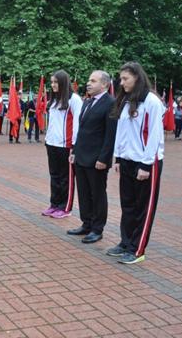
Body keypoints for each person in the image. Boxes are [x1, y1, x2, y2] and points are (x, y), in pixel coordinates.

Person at [107, 61, 165, 264]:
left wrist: (146, 165)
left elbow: (155, 136)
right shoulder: (126, 100)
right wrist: (118, 157)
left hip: (146, 162)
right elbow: (122, 133)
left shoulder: (152, 102)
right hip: (127, 161)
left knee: (143, 207)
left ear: (137, 78)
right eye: (121, 78)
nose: (121, 83)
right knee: (128, 205)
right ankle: (125, 242)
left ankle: (137, 249)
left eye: (125, 79)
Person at [67, 71, 117, 244]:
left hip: (97, 159)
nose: (88, 83)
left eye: (93, 81)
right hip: (81, 156)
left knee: (97, 194)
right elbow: (82, 131)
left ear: (104, 84)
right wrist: (74, 151)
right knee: (84, 192)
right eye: (88, 80)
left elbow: (110, 135)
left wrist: (104, 159)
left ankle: (97, 228)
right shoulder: (88, 101)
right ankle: (86, 223)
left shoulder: (110, 103)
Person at [42, 70, 83, 219]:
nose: (53, 85)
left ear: (63, 83)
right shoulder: (53, 100)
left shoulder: (74, 99)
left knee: (66, 177)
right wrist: (48, 140)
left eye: (55, 82)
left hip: (66, 145)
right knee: (54, 176)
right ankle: (54, 204)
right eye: (51, 82)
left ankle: (65, 207)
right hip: (52, 144)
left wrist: (74, 146)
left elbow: (78, 124)